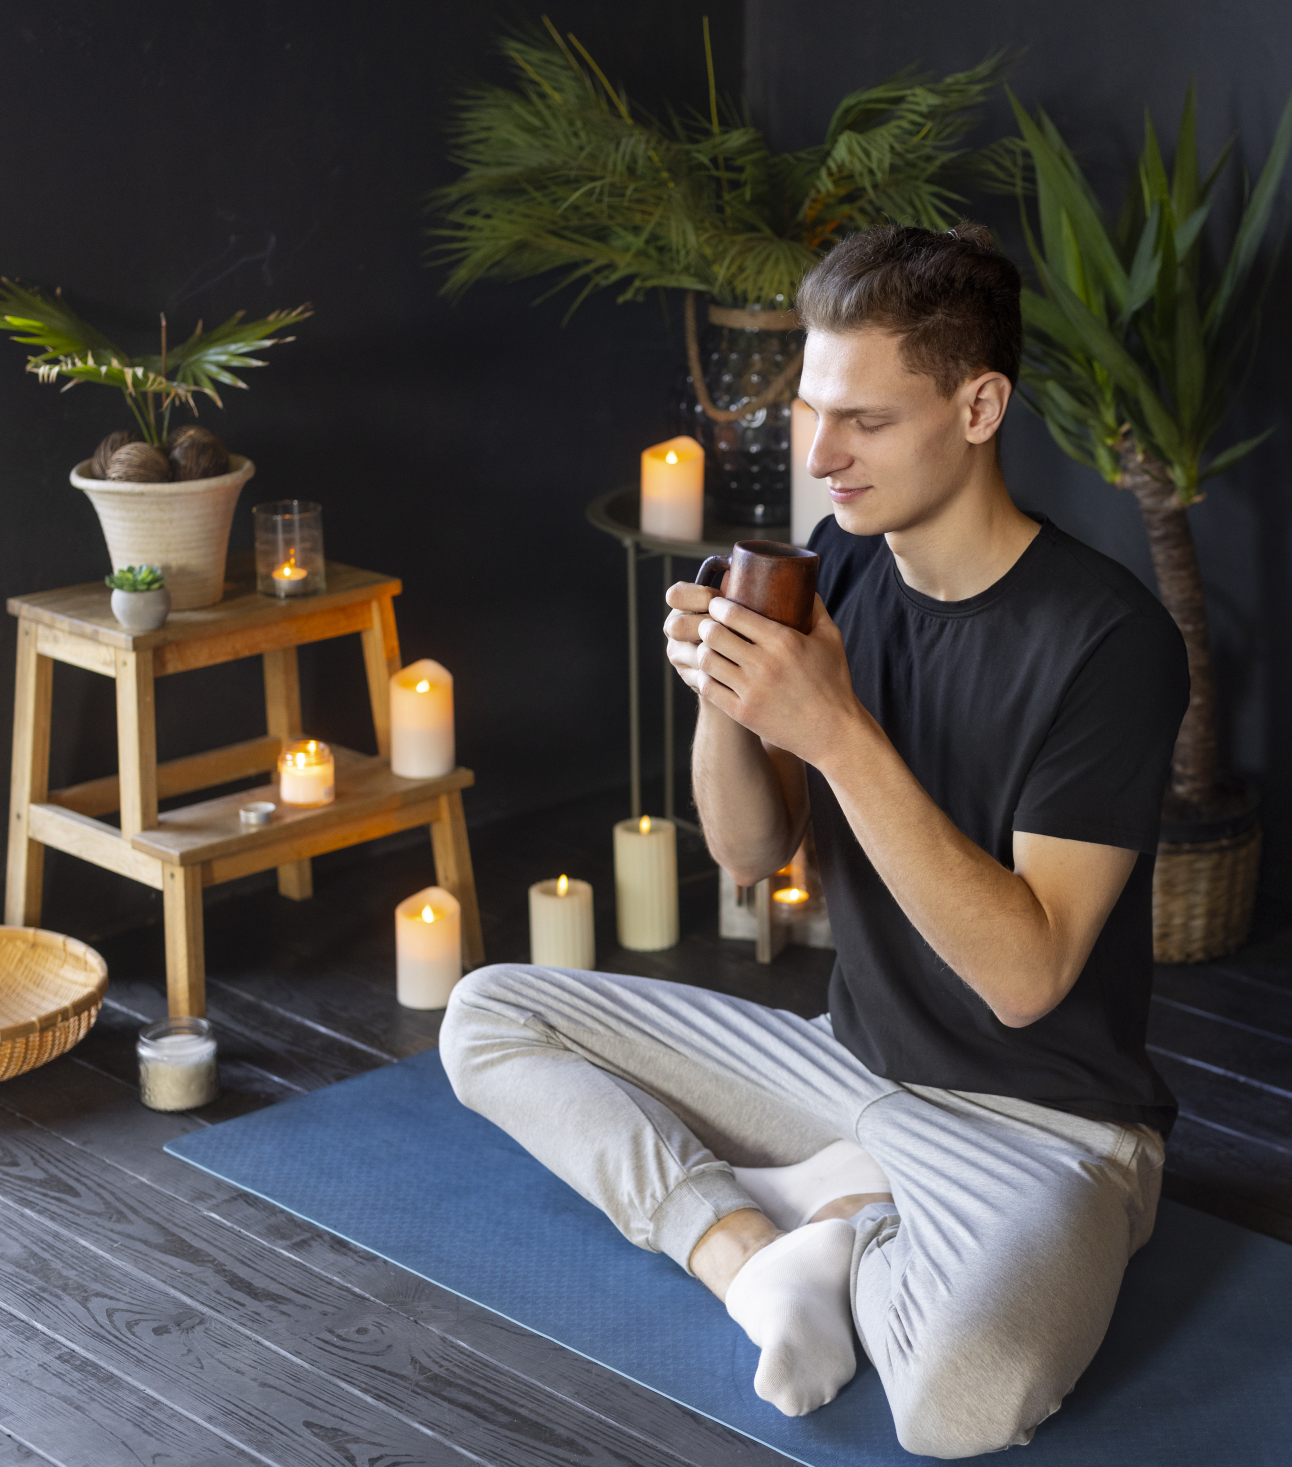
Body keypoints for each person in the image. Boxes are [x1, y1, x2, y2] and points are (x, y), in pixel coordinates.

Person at [441, 222, 1189, 1459]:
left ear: (979, 405)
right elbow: (746, 853)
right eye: (809, 411)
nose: (821, 455)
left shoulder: (1108, 643)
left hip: (1045, 1126)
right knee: (487, 1016)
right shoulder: (840, 565)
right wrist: (725, 699)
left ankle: (831, 1218)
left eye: (867, 421)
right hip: (846, 1071)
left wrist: (835, 730)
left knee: (955, 1409)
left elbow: (1025, 977)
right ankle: (759, 1251)